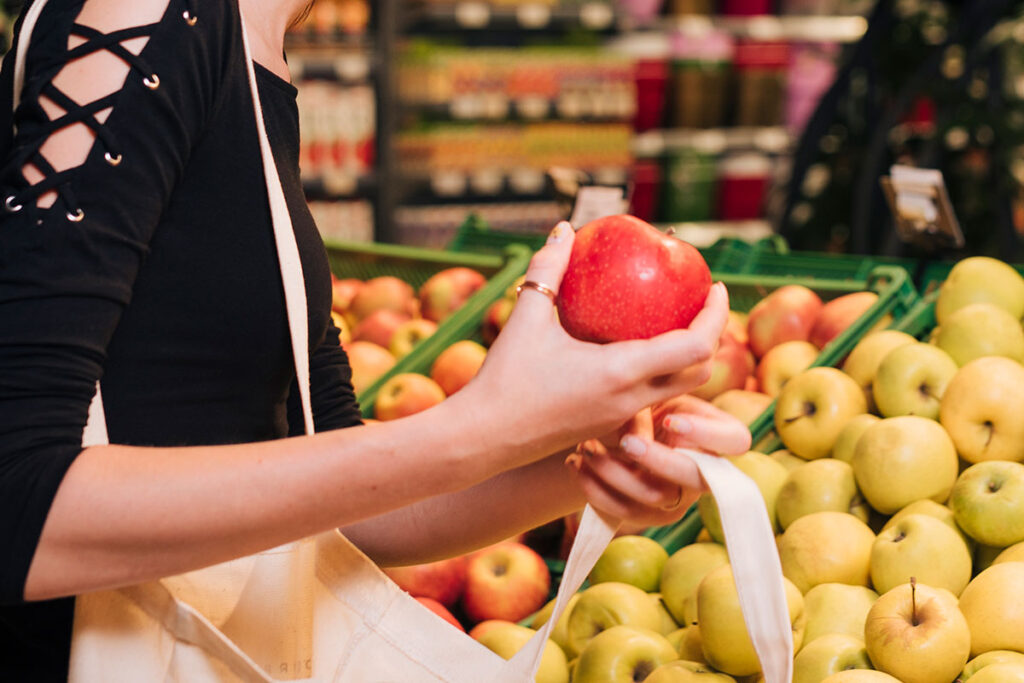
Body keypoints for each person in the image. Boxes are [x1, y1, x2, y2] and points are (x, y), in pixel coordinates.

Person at [0, 0, 751, 679]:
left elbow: (341, 503)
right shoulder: (148, 16)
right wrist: (478, 429)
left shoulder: (252, 46)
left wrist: (591, 466)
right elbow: (17, 499)